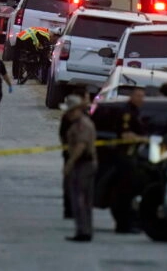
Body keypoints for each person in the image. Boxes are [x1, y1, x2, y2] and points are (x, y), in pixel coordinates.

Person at [61, 94, 97, 242]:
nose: (68, 114)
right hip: (86, 163)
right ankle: (85, 230)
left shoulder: (81, 125)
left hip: (83, 164)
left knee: (79, 199)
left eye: (70, 111)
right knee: (85, 200)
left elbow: (80, 146)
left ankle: (83, 231)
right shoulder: (80, 123)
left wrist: (70, 163)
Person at [110, 86, 146, 234]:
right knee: (124, 193)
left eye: (142, 96)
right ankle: (123, 225)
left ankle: (127, 223)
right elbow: (125, 135)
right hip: (125, 156)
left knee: (129, 192)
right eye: (138, 96)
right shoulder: (127, 112)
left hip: (132, 156)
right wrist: (143, 139)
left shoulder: (135, 111)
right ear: (131, 96)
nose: (141, 99)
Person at [59, 86, 90, 219]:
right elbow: (63, 134)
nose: (89, 100)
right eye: (87, 97)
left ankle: (75, 208)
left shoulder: (85, 113)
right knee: (71, 181)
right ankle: (70, 209)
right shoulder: (71, 117)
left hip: (82, 154)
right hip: (73, 153)